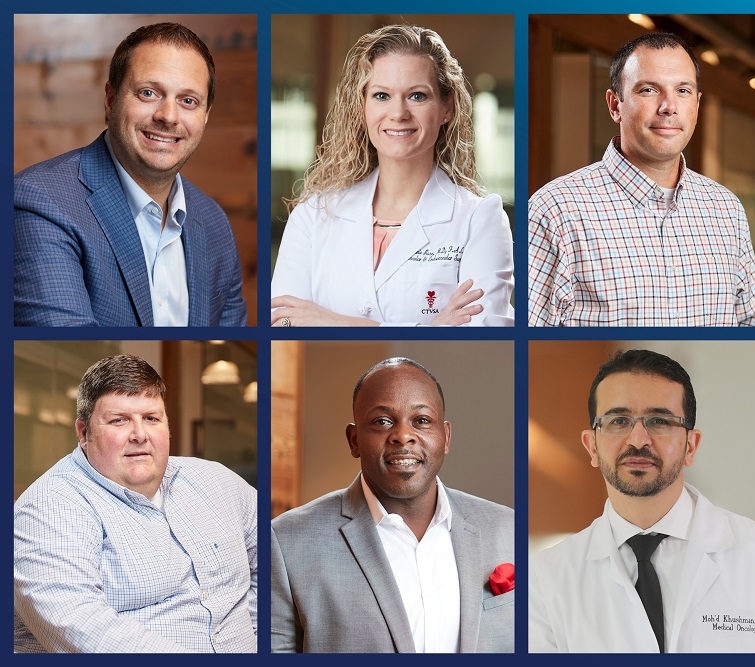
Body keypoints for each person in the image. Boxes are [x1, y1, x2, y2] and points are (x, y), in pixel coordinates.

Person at [270, 25, 513, 327]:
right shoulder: (313, 215)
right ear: (362, 107)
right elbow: (282, 325)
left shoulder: (480, 218)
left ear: (447, 107)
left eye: (417, 96)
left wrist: (330, 321)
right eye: (382, 95)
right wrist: (432, 329)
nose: (398, 113)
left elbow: (482, 334)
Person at [530, 349, 755, 652]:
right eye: (618, 421)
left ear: (690, 446)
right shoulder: (545, 577)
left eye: (659, 420)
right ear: (592, 446)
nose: (638, 440)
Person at [13, 355, 256, 652]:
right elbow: (83, 627)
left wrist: (257, 640)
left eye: (151, 419)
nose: (140, 435)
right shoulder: (50, 507)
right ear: (83, 432)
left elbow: (269, 566)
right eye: (120, 421)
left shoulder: (217, 481)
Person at [270, 357, 514, 652]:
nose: (403, 436)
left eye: (422, 421)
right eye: (382, 422)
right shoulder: (287, 540)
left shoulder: (507, 528)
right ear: (354, 440)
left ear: (446, 437)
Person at [528, 33, 755, 327]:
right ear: (615, 105)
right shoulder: (555, 210)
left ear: (696, 104)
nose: (669, 106)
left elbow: (754, 325)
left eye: (683, 90)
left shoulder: (725, 208)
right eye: (648, 90)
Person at [13, 23, 247, 327]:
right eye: (148, 93)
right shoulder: (41, 203)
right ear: (111, 100)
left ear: (205, 115)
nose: (169, 116)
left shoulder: (214, 224)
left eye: (188, 100)